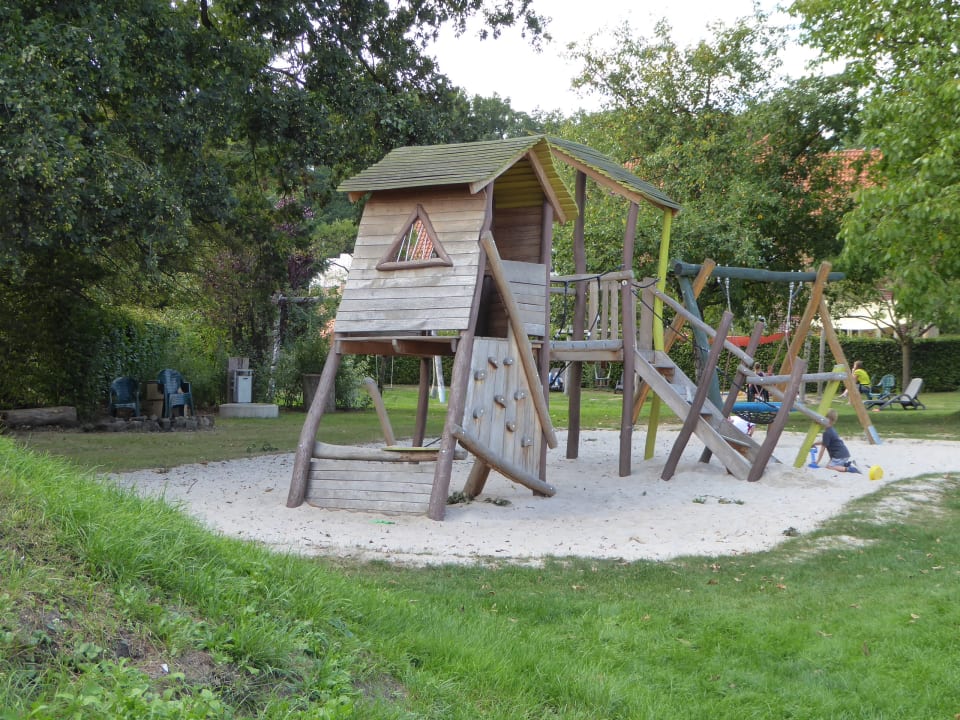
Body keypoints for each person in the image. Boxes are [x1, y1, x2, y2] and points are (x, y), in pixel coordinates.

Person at [812, 408, 861, 473]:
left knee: (829, 467)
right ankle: (848, 464)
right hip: (843, 454)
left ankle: (850, 469)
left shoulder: (827, 433)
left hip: (839, 456)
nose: (820, 420)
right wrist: (815, 443)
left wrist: (817, 461)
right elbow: (825, 442)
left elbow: (822, 450)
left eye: (822, 418)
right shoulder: (831, 430)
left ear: (828, 420)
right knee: (832, 463)